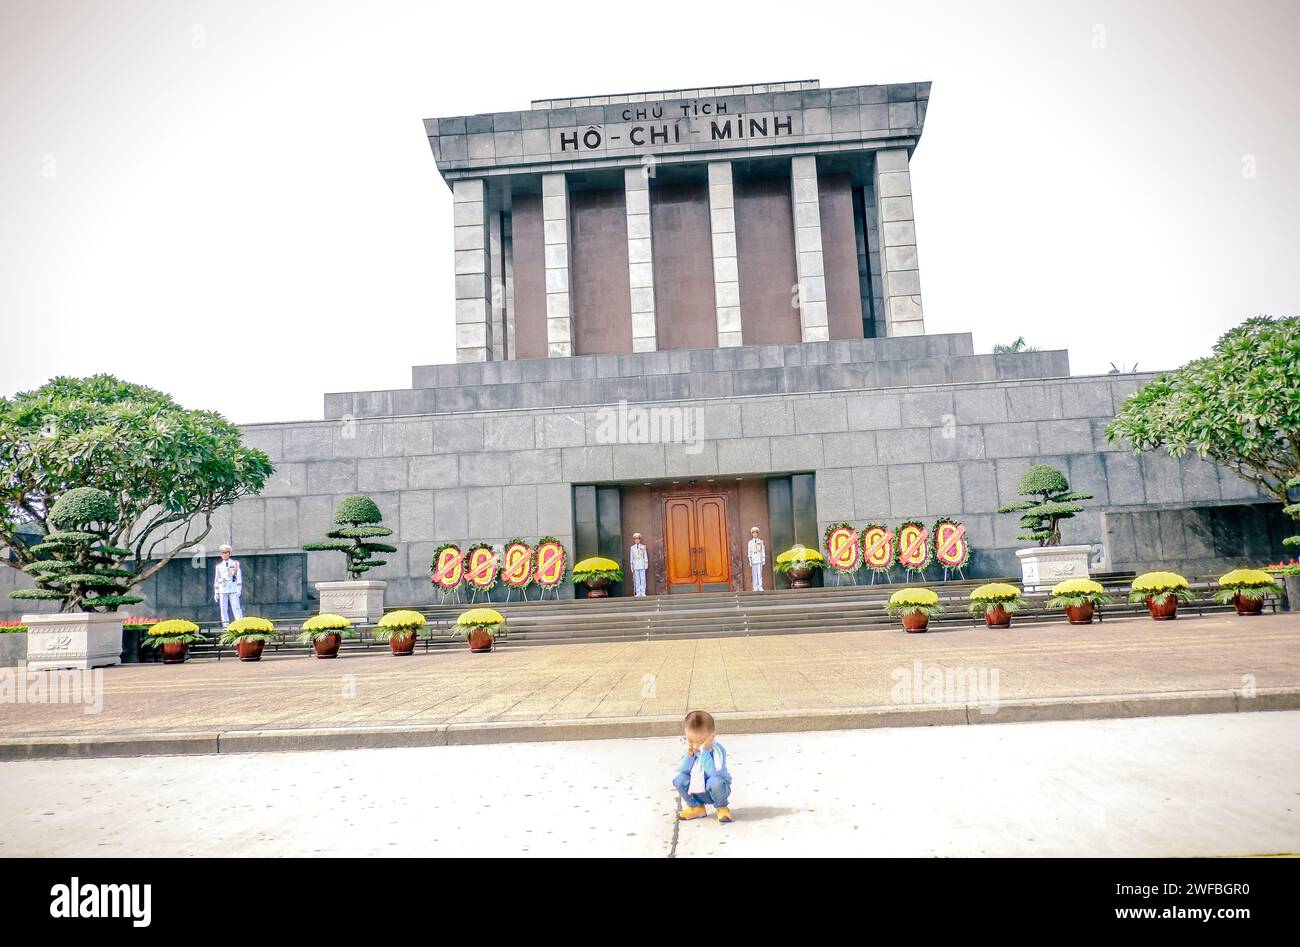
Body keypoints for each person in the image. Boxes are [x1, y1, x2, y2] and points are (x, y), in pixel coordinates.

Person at [672, 710, 733, 823]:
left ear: (711, 736)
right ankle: (696, 807)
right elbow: (682, 770)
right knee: (679, 780)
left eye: (700, 741)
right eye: (690, 740)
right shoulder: (690, 750)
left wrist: (704, 752)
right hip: (696, 790)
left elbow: (713, 773)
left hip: (716, 790)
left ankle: (722, 808)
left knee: (716, 782)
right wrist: (689, 756)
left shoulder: (718, 751)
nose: (695, 745)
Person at [213, 544, 244, 627]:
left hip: (233, 589)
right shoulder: (218, 566)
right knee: (223, 609)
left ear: (229, 553)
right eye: (222, 553)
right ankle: (225, 626)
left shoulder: (235, 564)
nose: (224, 555)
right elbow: (216, 580)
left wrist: (239, 589)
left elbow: (238, 577)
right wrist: (216, 592)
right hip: (222, 589)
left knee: (236, 608)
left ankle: (240, 625)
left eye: (226, 553)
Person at [629, 531, 649, 597]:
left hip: (642, 564)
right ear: (634, 540)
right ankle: (638, 592)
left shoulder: (643, 547)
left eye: (638, 539)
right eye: (635, 539)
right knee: (637, 579)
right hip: (636, 564)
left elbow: (645, 555)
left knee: (643, 578)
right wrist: (631, 565)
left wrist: (646, 563)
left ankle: (643, 591)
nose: (637, 540)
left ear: (639, 539)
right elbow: (631, 557)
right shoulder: (632, 548)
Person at [747, 526, 766, 591]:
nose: (755, 534)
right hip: (753, 559)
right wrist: (749, 560)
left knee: (760, 573)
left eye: (756, 533)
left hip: (759, 559)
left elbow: (763, 550)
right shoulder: (750, 542)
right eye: (753, 533)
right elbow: (749, 552)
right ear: (752, 534)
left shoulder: (761, 541)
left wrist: (763, 559)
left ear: (758, 533)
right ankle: (755, 586)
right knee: (754, 574)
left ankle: (760, 586)